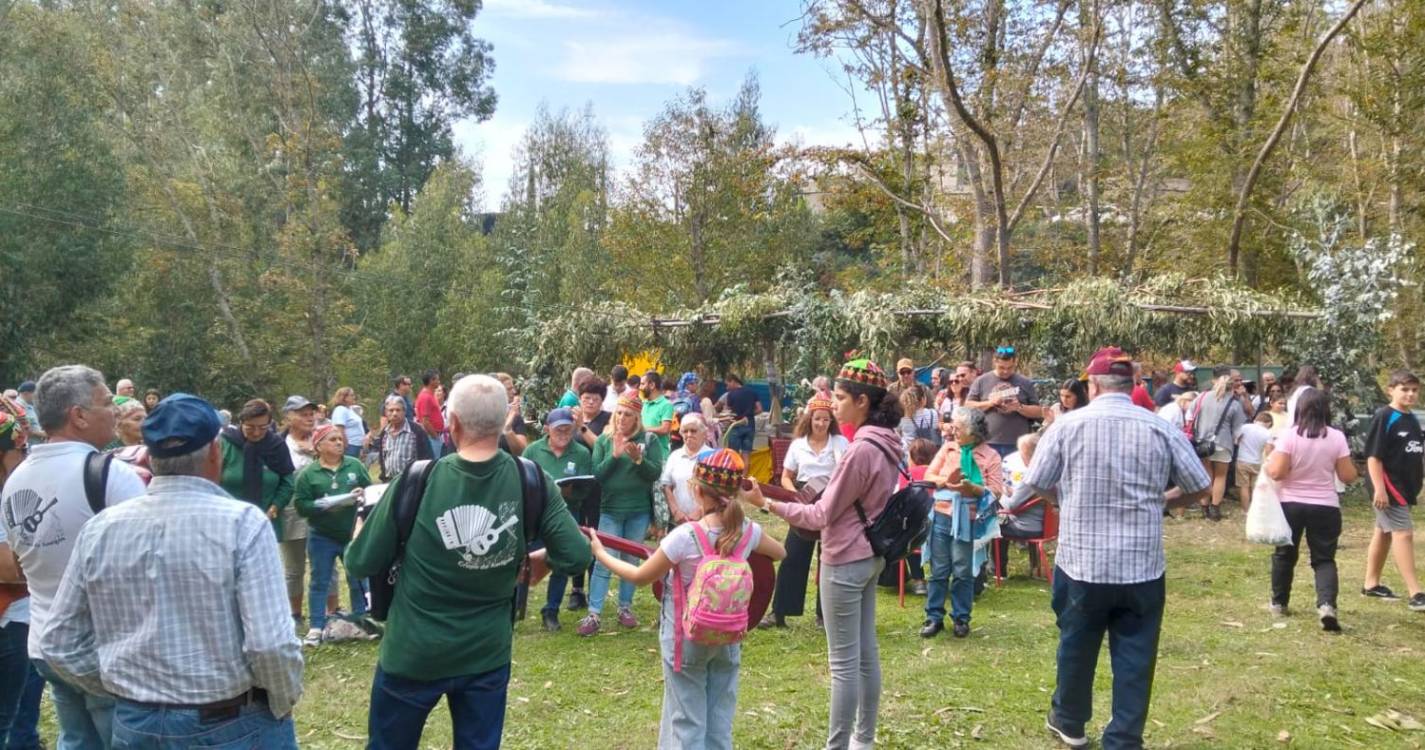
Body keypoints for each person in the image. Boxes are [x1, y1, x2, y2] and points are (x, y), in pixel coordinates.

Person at [38, 393, 304, 748]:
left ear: (148, 456)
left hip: (137, 723)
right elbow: (270, 644)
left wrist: (127, 689)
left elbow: (59, 641)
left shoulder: (101, 528)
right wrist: (281, 698)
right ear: (215, 451)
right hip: (230, 723)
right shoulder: (243, 524)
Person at [347, 375, 590, 749]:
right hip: (485, 654)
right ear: (500, 422)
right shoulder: (532, 478)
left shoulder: (417, 479)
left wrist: (359, 526)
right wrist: (542, 559)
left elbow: (360, 562)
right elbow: (576, 554)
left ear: (452, 422)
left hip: (413, 652)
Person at [1016, 347, 1210, 749]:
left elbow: (1035, 481)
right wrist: (1162, 502)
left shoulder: (1068, 426)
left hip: (1082, 562)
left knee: (1076, 642)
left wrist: (1063, 500)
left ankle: (1069, 722)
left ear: (1092, 384)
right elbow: (1200, 486)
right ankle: (1123, 737)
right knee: (1136, 655)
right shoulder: (1160, 427)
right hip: (1141, 567)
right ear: (1132, 385)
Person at [743, 359, 902, 750]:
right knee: (866, 655)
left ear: (863, 402)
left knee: (844, 665)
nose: (833, 405)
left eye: (842, 397)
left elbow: (819, 515)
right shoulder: (888, 440)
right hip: (870, 554)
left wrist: (766, 504)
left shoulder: (860, 449)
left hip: (846, 558)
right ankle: (862, 740)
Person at [586, 449, 786, 750]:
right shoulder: (748, 531)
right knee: (719, 722)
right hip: (729, 638)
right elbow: (780, 553)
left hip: (685, 639)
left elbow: (641, 577)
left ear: (696, 490)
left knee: (687, 723)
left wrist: (601, 554)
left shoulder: (684, 537)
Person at [1, 365, 148, 748]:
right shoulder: (109, 474)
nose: (114, 412)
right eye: (104, 404)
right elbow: (152, 558)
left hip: (48, 643)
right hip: (106, 647)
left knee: (77, 739)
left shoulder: (16, 481)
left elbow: (19, 562)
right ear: (78, 416)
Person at [1265, 389, 1358, 631]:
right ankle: (1326, 605)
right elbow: (1347, 476)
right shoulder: (1336, 437)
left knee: (1285, 554)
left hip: (1290, 504)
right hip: (1325, 505)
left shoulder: (1289, 436)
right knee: (1324, 558)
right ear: (1327, 410)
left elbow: (1276, 472)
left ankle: (1279, 603)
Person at [579, 394, 667, 636]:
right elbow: (597, 474)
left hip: (638, 511)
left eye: (628, 414)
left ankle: (624, 608)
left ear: (637, 418)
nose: (622, 418)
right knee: (604, 560)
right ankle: (594, 612)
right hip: (610, 510)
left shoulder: (648, 440)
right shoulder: (604, 441)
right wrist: (615, 456)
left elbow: (654, 473)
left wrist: (639, 460)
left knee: (630, 561)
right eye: (619, 413)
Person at [764, 396, 848, 628]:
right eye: (817, 419)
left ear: (831, 421)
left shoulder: (840, 442)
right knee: (792, 556)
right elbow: (786, 477)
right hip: (802, 499)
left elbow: (845, 475)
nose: (821, 423)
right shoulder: (798, 444)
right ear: (809, 419)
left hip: (832, 501)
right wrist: (796, 497)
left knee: (828, 559)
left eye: (825, 419)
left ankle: (825, 615)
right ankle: (779, 612)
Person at [920, 407, 1004, 638]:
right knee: (938, 570)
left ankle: (961, 618)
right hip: (942, 514)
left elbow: (996, 491)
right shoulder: (948, 448)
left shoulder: (990, 456)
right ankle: (933, 617)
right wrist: (947, 482)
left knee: (962, 570)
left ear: (974, 432)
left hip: (969, 518)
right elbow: (929, 476)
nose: (953, 430)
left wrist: (971, 488)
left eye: (959, 427)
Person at [292, 423, 373, 647]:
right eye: (332, 439)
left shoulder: (354, 466)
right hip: (322, 536)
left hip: (351, 534)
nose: (339, 443)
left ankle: (363, 620)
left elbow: (372, 493)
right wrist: (324, 505)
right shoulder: (308, 474)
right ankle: (316, 626)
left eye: (340, 439)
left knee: (357, 576)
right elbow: (301, 506)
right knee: (320, 579)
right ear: (318, 446)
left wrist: (361, 500)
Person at [522, 407, 593, 631]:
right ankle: (514, 605)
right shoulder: (532, 451)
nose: (563, 433)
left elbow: (586, 489)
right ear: (547, 429)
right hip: (534, 514)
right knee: (522, 559)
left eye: (568, 429)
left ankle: (551, 610)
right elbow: (521, 481)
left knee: (562, 560)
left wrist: (571, 492)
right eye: (558, 429)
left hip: (565, 512)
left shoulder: (581, 453)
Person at [1360, 370, 1424, 610]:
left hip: (1406, 487)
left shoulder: (1411, 418)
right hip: (1389, 486)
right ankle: (1416, 593)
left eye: (1414, 390)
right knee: (1403, 533)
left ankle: (1371, 584)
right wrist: (1379, 489)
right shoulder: (1385, 416)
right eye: (1404, 389)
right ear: (1391, 390)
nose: (1410, 394)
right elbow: (1373, 457)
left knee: (1384, 532)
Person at [0, 403, 44, 750]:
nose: (24, 457)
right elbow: (7, 569)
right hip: (9, 617)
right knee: (4, 714)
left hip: (16, 616)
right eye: (20, 449)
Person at [277, 395, 336, 626]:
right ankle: (295, 614)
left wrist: (317, 452)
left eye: (311, 413)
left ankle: (333, 612)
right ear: (289, 417)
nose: (309, 418)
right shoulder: (280, 444)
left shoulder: (323, 438)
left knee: (327, 563)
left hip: (323, 510)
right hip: (292, 510)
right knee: (294, 567)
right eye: (303, 414)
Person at [219, 399, 296, 548]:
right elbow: (211, 481)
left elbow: (287, 482)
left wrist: (275, 507)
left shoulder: (277, 446)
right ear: (241, 422)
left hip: (266, 520)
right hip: (228, 522)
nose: (256, 432)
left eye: (263, 427)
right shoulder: (225, 443)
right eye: (250, 427)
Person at [1189, 367, 1247, 521]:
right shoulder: (1234, 403)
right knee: (1220, 477)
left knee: (1207, 476)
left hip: (1202, 442)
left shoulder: (1201, 397)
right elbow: (1238, 429)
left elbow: (1190, 416)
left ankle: (1204, 507)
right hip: (1223, 443)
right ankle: (1215, 509)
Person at [964, 346, 1042, 457]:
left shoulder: (1025, 383)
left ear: (1015, 363)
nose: (1005, 371)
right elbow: (968, 407)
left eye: (1010, 368)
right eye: (1001, 367)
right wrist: (990, 403)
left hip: (1018, 444)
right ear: (994, 362)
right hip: (987, 443)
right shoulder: (981, 381)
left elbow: (1039, 412)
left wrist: (1019, 407)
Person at [996, 432, 1045, 576]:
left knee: (993, 526)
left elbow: (1010, 506)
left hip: (1026, 526)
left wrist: (1001, 492)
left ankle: (998, 571)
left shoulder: (1030, 475)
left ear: (1028, 453)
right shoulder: (1047, 471)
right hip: (1044, 524)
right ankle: (1035, 567)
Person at [364, 395, 434, 482]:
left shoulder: (416, 431)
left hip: (411, 481)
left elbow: (427, 458)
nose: (394, 413)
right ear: (386, 412)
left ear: (404, 411)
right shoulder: (384, 433)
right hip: (390, 482)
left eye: (398, 410)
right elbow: (383, 460)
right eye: (391, 410)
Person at [660, 414, 710, 527]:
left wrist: (700, 511)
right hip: (678, 520)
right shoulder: (675, 456)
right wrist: (676, 511)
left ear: (704, 433)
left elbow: (719, 492)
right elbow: (666, 485)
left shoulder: (713, 457)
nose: (689, 435)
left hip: (705, 521)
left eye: (693, 431)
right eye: (685, 431)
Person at [1236, 412, 1274, 511]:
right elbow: (1268, 451)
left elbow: (1236, 440)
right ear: (1268, 423)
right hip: (1257, 462)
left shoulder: (1244, 427)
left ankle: (1245, 510)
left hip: (1242, 459)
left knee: (1244, 486)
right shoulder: (1267, 433)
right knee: (1255, 487)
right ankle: (1256, 509)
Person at [720, 374, 762, 462]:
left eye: (727, 384)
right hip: (750, 426)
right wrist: (749, 414)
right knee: (746, 456)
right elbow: (759, 409)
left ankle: (734, 475)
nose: (727, 388)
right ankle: (744, 476)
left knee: (733, 455)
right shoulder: (752, 392)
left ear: (733, 381)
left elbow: (728, 413)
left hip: (735, 426)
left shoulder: (730, 395)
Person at [491, 374, 529, 456]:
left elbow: (523, 453)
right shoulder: (479, 418)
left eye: (513, 388)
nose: (514, 392)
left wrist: (508, 431)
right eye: (509, 389)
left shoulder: (515, 418)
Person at [640, 372, 675, 452]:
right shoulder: (644, 403)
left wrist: (643, 429)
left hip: (659, 455)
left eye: (642, 384)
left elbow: (665, 429)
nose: (640, 387)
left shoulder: (666, 404)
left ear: (652, 385)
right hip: (644, 453)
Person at [897, 385, 940, 450]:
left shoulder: (903, 417)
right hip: (930, 453)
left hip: (910, 454)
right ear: (923, 399)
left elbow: (898, 436)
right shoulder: (933, 413)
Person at [415, 370, 445, 459]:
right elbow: (425, 421)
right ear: (431, 381)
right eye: (437, 380)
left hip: (434, 435)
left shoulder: (430, 395)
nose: (439, 382)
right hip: (431, 436)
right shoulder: (426, 397)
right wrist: (435, 436)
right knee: (434, 464)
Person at [329, 387, 367, 458]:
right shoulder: (340, 410)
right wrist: (344, 445)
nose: (354, 397)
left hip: (356, 445)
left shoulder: (350, 409)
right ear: (344, 397)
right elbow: (339, 429)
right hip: (349, 446)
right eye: (351, 395)